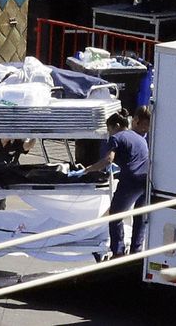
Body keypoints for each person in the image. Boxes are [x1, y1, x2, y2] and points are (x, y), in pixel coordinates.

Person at [72, 109, 149, 257]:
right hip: (146, 180)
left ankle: (118, 252)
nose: (109, 133)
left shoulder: (117, 137)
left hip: (130, 181)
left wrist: (88, 169)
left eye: (109, 129)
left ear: (117, 125)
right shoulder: (139, 137)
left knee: (115, 216)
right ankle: (136, 251)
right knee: (140, 217)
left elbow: (108, 160)